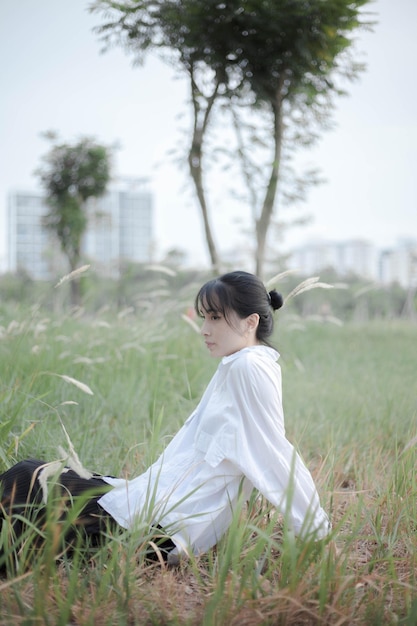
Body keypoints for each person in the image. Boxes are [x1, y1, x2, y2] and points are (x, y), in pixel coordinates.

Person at [0, 271, 330, 565]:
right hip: (156, 506)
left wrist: (316, 531)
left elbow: (275, 455)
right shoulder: (239, 364)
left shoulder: (248, 368)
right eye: (204, 318)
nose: (203, 329)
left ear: (251, 322)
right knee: (29, 478)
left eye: (215, 318)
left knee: (24, 481)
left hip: (166, 527)